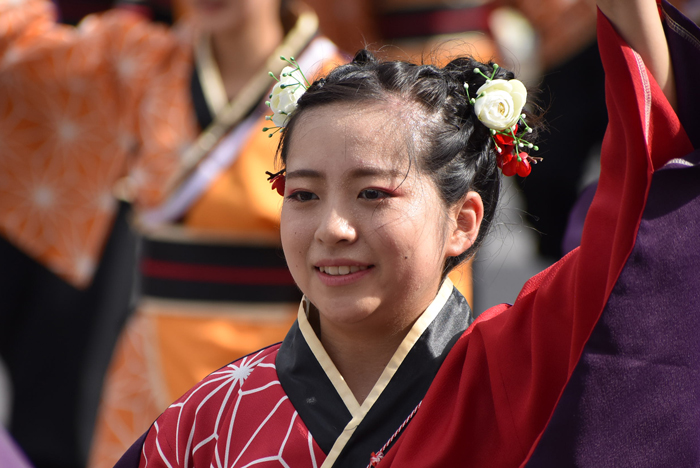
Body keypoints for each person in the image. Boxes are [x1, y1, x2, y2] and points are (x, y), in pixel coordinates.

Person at [132, 0, 698, 465]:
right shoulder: (209, 417)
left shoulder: (512, 369)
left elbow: (641, 215)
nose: (332, 228)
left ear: (463, 220)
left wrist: (634, 23)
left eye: (373, 193)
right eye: (302, 194)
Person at [0, 0, 345, 466]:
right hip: (153, 353)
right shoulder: (141, 61)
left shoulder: (336, 83)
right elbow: (20, 54)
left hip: (282, 358)